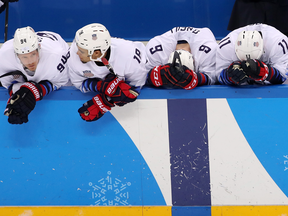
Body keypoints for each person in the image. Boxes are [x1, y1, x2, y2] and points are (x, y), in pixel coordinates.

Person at [67, 23, 147, 122]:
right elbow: (78, 83)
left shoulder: (129, 57)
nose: (77, 53)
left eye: (81, 51)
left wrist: (105, 100)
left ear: (96, 53)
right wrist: (99, 86)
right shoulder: (75, 55)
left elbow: (133, 91)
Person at [0, 26, 70, 124]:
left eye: (33, 54)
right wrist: (17, 97)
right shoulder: (4, 56)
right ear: (16, 54)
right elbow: (8, 83)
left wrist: (36, 90)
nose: (30, 61)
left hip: (55, 44)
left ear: (39, 48)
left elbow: (60, 82)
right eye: (24, 57)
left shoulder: (56, 55)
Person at [145, 26, 217, 90]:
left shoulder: (208, 51)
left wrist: (196, 78)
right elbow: (142, 76)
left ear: (193, 60)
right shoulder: (156, 51)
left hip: (201, 38)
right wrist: (155, 75)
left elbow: (212, 78)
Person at [216, 23, 288, 85]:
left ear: (263, 49)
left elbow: (284, 77)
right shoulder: (225, 47)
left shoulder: (279, 44)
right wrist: (229, 75)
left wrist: (265, 72)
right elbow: (217, 77)